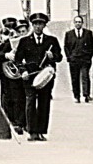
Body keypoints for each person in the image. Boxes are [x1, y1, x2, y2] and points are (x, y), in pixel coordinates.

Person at [13, 12, 63, 141]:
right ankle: (31, 132)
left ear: (45, 25)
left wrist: (53, 56)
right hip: (29, 77)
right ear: (32, 25)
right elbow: (18, 59)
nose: (38, 27)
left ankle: (41, 131)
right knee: (30, 102)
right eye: (35, 24)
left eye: (40, 24)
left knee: (44, 103)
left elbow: (60, 57)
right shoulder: (24, 41)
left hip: (45, 77)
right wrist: (22, 70)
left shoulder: (52, 41)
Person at [0, 17, 26, 134]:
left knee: (19, 98)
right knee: (7, 98)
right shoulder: (8, 42)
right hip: (6, 74)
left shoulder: (23, 41)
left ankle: (19, 122)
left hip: (20, 74)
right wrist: (7, 55)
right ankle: (9, 120)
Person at [64, 15, 93, 103]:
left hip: (84, 59)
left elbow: (91, 46)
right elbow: (66, 47)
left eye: (79, 22)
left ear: (82, 23)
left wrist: (89, 56)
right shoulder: (69, 34)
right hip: (73, 59)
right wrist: (69, 57)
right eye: (76, 22)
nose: (78, 24)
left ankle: (86, 95)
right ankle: (76, 96)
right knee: (75, 78)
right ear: (74, 23)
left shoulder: (88, 33)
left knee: (85, 76)